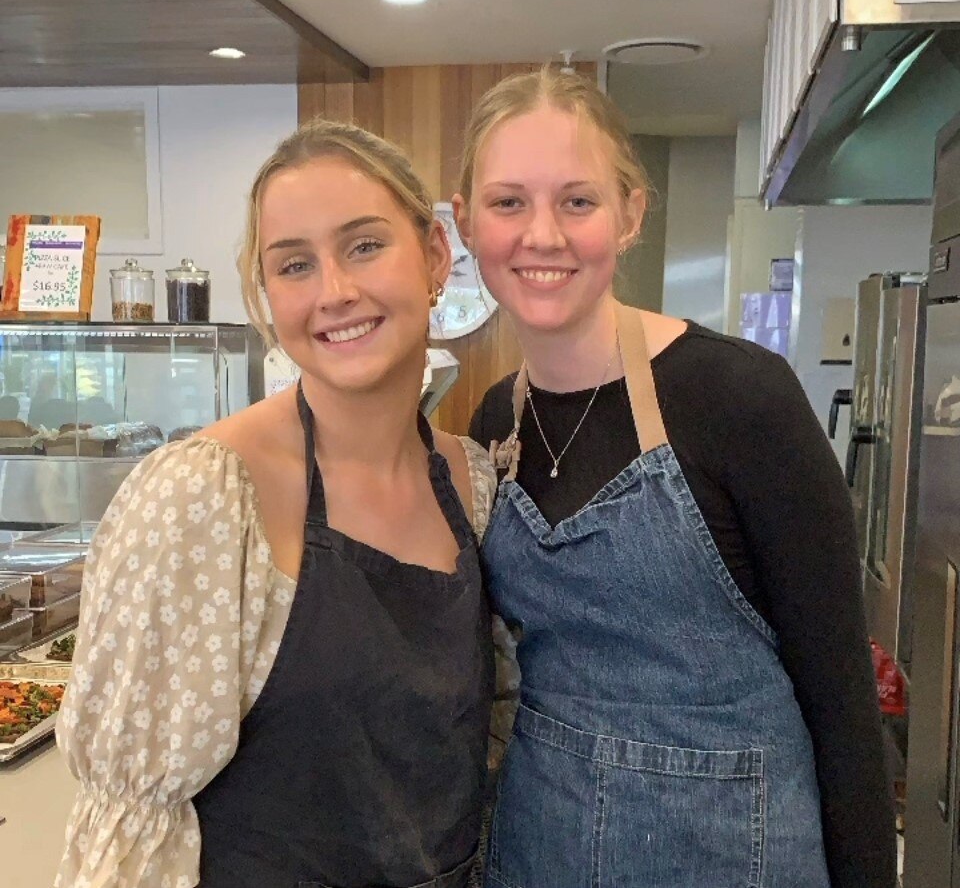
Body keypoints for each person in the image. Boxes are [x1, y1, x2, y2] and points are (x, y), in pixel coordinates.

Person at [455, 69, 895, 888]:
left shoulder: (739, 397)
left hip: (733, 851)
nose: (541, 235)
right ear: (465, 222)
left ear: (629, 216)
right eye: (508, 201)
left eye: (577, 202)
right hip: (540, 842)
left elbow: (842, 699)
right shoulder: (494, 421)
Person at [56, 119, 496, 888]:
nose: (335, 292)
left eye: (364, 245)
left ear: (433, 255)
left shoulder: (471, 480)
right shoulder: (203, 497)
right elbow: (129, 828)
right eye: (294, 265)